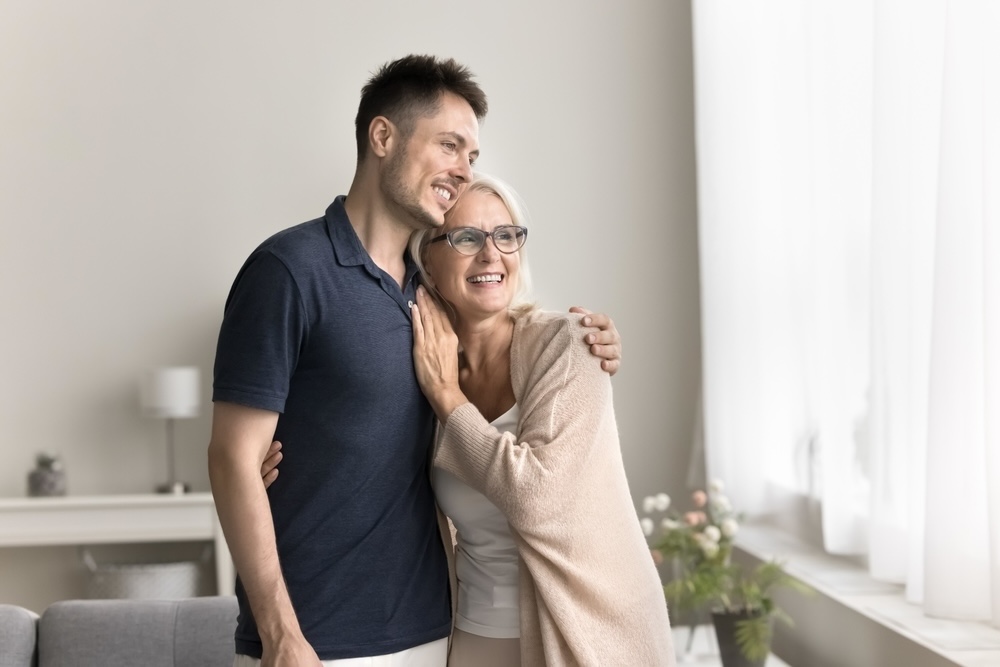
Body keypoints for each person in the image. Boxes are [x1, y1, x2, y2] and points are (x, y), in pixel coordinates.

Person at [208, 54, 622, 667]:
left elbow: (509, 333)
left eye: (472, 157)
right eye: (450, 146)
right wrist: (279, 633)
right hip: (316, 640)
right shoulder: (289, 272)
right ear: (383, 137)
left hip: (434, 633)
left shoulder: (433, 296)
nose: (462, 169)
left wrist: (593, 340)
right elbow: (231, 458)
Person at [406, 173, 674, 666]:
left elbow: (537, 497)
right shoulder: (420, 363)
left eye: (505, 235)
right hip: (470, 634)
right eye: (466, 237)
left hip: (584, 633)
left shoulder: (570, 344)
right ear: (428, 258)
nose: (491, 254)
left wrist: (447, 397)